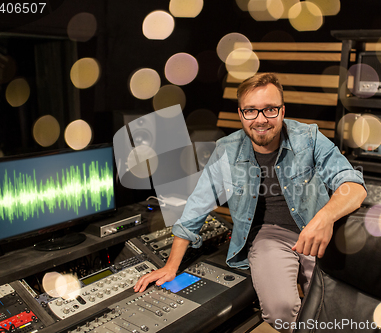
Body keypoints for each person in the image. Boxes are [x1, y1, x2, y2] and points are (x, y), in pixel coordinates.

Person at [134, 73, 367, 332]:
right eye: (251, 111)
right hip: (270, 236)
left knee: (336, 304)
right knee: (279, 311)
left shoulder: (309, 137)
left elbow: (353, 186)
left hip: (317, 229)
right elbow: (197, 205)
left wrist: (325, 218)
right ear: (240, 113)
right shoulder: (226, 149)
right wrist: (171, 266)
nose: (261, 119)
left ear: (282, 111)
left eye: (270, 109)